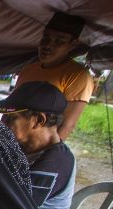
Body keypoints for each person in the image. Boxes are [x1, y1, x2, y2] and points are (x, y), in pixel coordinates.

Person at [0, 81, 76, 209]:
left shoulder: (55, 164)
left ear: (39, 120)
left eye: (10, 118)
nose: (3, 123)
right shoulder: (24, 149)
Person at [15, 12, 94, 140]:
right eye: (45, 38)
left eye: (59, 41)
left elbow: (68, 125)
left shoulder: (77, 75)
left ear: (73, 44)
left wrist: (45, 155)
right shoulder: (28, 69)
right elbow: (13, 108)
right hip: (13, 138)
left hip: (39, 144)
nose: (48, 45)